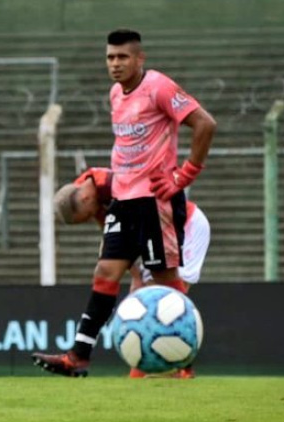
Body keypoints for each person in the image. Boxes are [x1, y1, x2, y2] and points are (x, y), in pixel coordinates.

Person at [32, 29, 216, 379]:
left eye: (122, 57)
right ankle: (78, 357)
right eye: (110, 57)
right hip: (123, 200)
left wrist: (184, 175)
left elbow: (205, 124)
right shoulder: (116, 93)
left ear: (139, 59)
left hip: (155, 201)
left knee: (164, 281)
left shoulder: (159, 86)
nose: (115, 64)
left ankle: (184, 363)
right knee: (104, 273)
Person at [47, 166, 212, 376]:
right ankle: (165, 368)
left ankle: (180, 366)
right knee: (144, 296)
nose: (92, 217)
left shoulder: (112, 184)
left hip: (187, 226)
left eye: (87, 215)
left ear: (86, 198)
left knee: (165, 300)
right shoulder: (86, 192)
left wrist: (139, 275)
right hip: (150, 227)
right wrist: (135, 276)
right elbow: (114, 241)